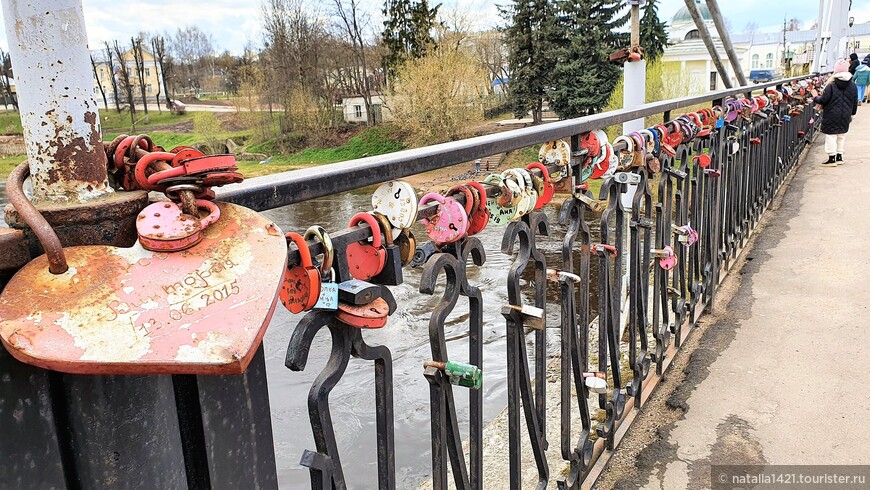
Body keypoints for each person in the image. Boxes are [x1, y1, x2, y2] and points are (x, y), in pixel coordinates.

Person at [813, 59, 858, 167]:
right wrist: (852, 113)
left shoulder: (831, 85)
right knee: (841, 136)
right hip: (845, 114)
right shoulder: (852, 85)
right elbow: (854, 101)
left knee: (831, 136)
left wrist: (815, 97)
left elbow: (824, 100)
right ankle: (839, 157)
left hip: (832, 114)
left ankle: (831, 158)